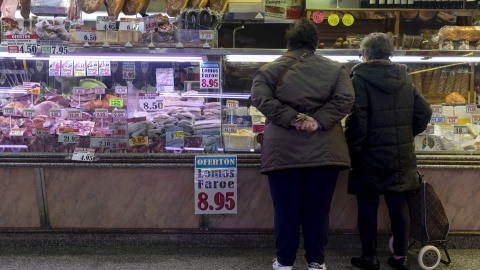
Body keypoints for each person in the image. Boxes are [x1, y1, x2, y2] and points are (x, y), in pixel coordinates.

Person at [250, 18, 355, 270]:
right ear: (316, 45)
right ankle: (316, 262)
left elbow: (259, 98)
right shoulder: (336, 69)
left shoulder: (269, 69)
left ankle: (285, 262)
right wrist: (316, 121)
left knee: (286, 210)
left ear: (289, 43)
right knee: (317, 210)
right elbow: (346, 98)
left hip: (282, 151)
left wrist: (292, 118)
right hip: (325, 151)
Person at [345, 32, 432, 270]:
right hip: (400, 155)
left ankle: (369, 258)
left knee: (367, 205)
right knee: (398, 203)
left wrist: (352, 153)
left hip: (368, 156)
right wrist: (407, 133)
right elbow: (424, 112)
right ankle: (400, 259)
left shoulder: (358, 79)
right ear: (389, 54)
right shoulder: (405, 78)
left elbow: (357, 123)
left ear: (366, 54)